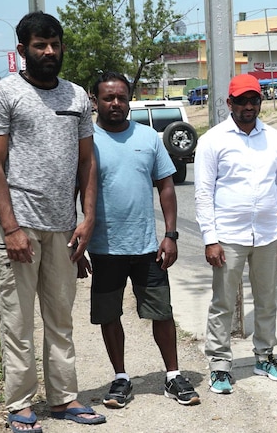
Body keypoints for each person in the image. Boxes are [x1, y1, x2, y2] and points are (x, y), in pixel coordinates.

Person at [0, 11, 104, 432]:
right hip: (20, 228)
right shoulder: (3, 94)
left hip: (63, 228)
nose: (49, 52)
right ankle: (19, 404)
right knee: (17, 322)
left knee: (60, 318)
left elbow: (87, 163)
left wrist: (87, 219)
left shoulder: (76, 96)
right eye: (39, 45)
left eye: (54, 44)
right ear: (22, 50)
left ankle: (64, 399)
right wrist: (10, 228)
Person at [82, 72, 200, 409]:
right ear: (95, 101)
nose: (115, 104)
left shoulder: (148, 138)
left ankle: (173, 375)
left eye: (121, 97)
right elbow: (75, 192)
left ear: (129, 99)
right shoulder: (87, 141)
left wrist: (171, 235)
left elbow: (166, 186)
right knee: (108, 314)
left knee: (162, 312)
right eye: (108, 98)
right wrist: (77, 247)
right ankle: (120, 378)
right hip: (104, 249)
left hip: (148, 247)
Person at [194, 74, 277, 394]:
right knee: (223, 302)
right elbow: (203, 193)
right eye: (241, 100)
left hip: (269, 233)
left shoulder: (275, 139)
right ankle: (220, 364)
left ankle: (264, 356)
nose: (249, 106)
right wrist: (210, 239)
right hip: (228, 235)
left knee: (267, 300)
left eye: (254, 100)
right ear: (230, 103)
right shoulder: (213, 140)